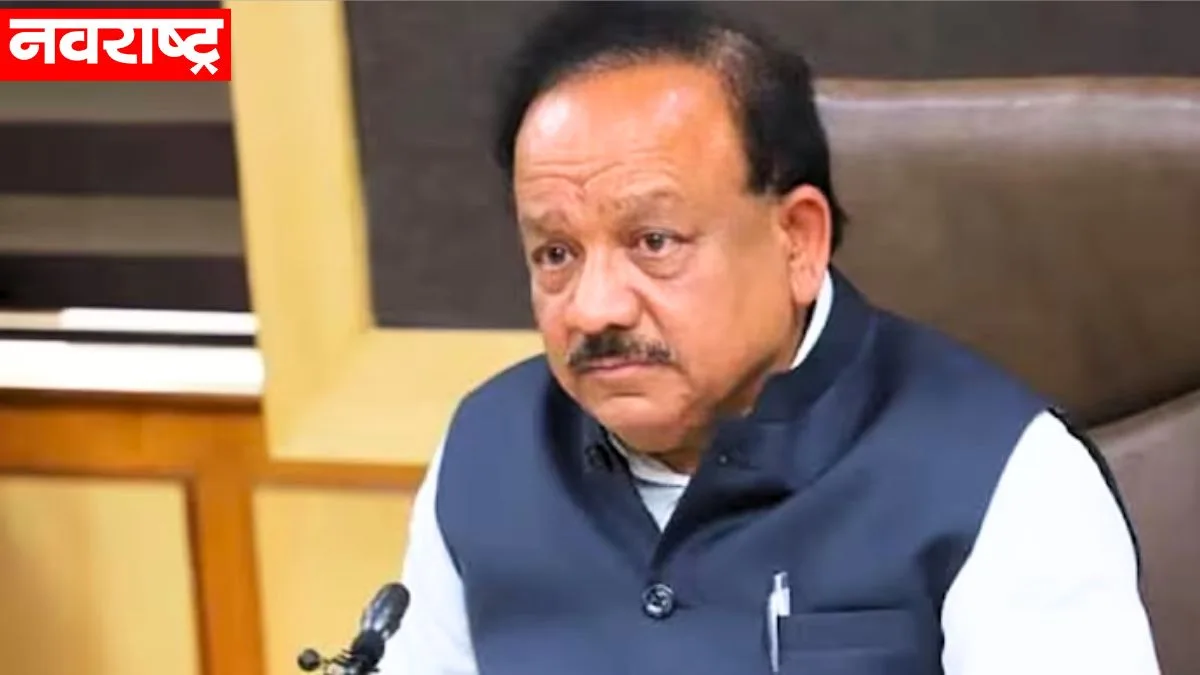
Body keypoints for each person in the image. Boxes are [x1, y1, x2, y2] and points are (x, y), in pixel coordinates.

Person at [380, 2, 1160, 674]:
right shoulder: (488, 450)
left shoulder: (1004, 472)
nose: (594, 309)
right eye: (556, 253)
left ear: (798, 239)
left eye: (654, 241)